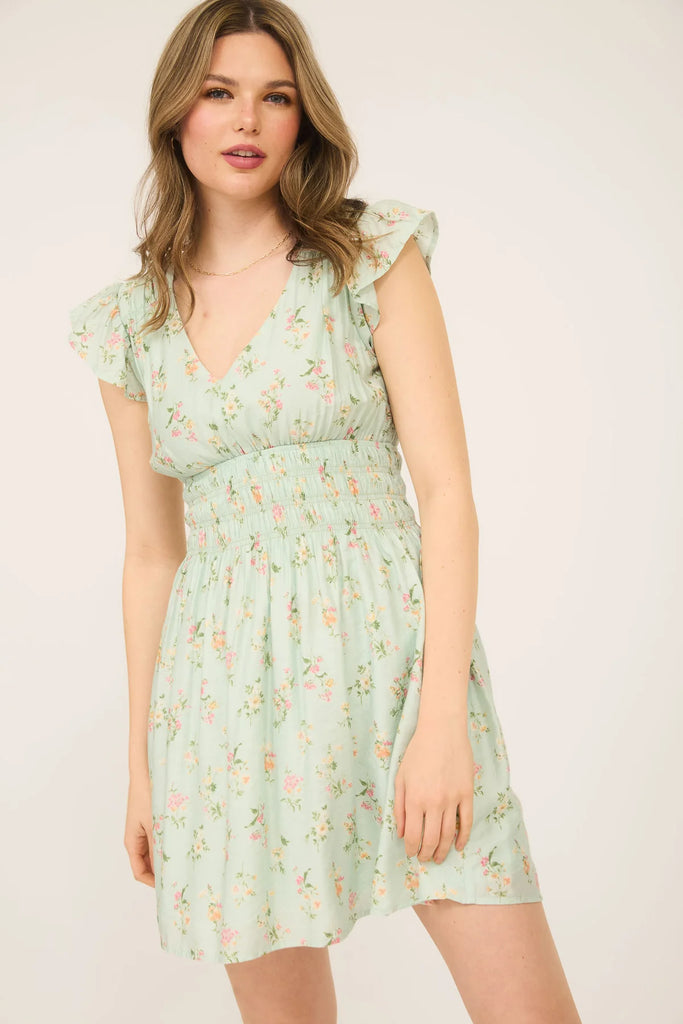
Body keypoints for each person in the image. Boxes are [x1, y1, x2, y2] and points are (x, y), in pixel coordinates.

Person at [66, 1, 583, 1021]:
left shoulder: (367, 256)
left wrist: (442, 722)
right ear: (175, 114)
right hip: (220, 702)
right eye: (218, 93)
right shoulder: (129, 325)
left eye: (275, 96)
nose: (245, 119)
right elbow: (152, 555)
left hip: (394, 669)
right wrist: (143, 770)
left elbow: (446, 494)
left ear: (304, 118)